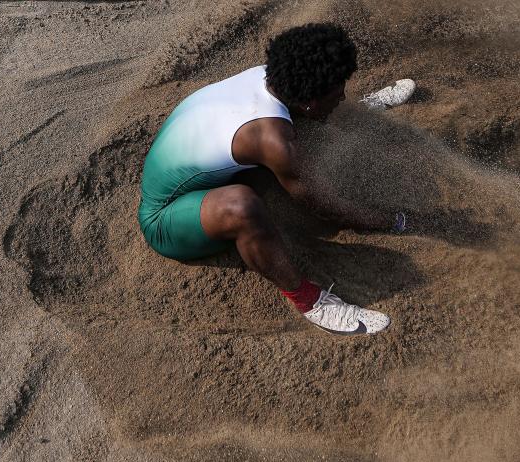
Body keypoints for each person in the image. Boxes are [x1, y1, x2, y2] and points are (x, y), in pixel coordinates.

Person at [138, 23, 411, 336]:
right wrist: (391, 221)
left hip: (198, 174)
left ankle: (362, 112)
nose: (342, 95)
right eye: (337, 94)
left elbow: (302, 112)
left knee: (301, 130)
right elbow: (321, 203)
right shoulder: (271, 139)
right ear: (311, 98)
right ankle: (310, 301)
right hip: (165, 219)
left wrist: (333, 106)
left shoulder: (271, 76)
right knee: (243, 207)